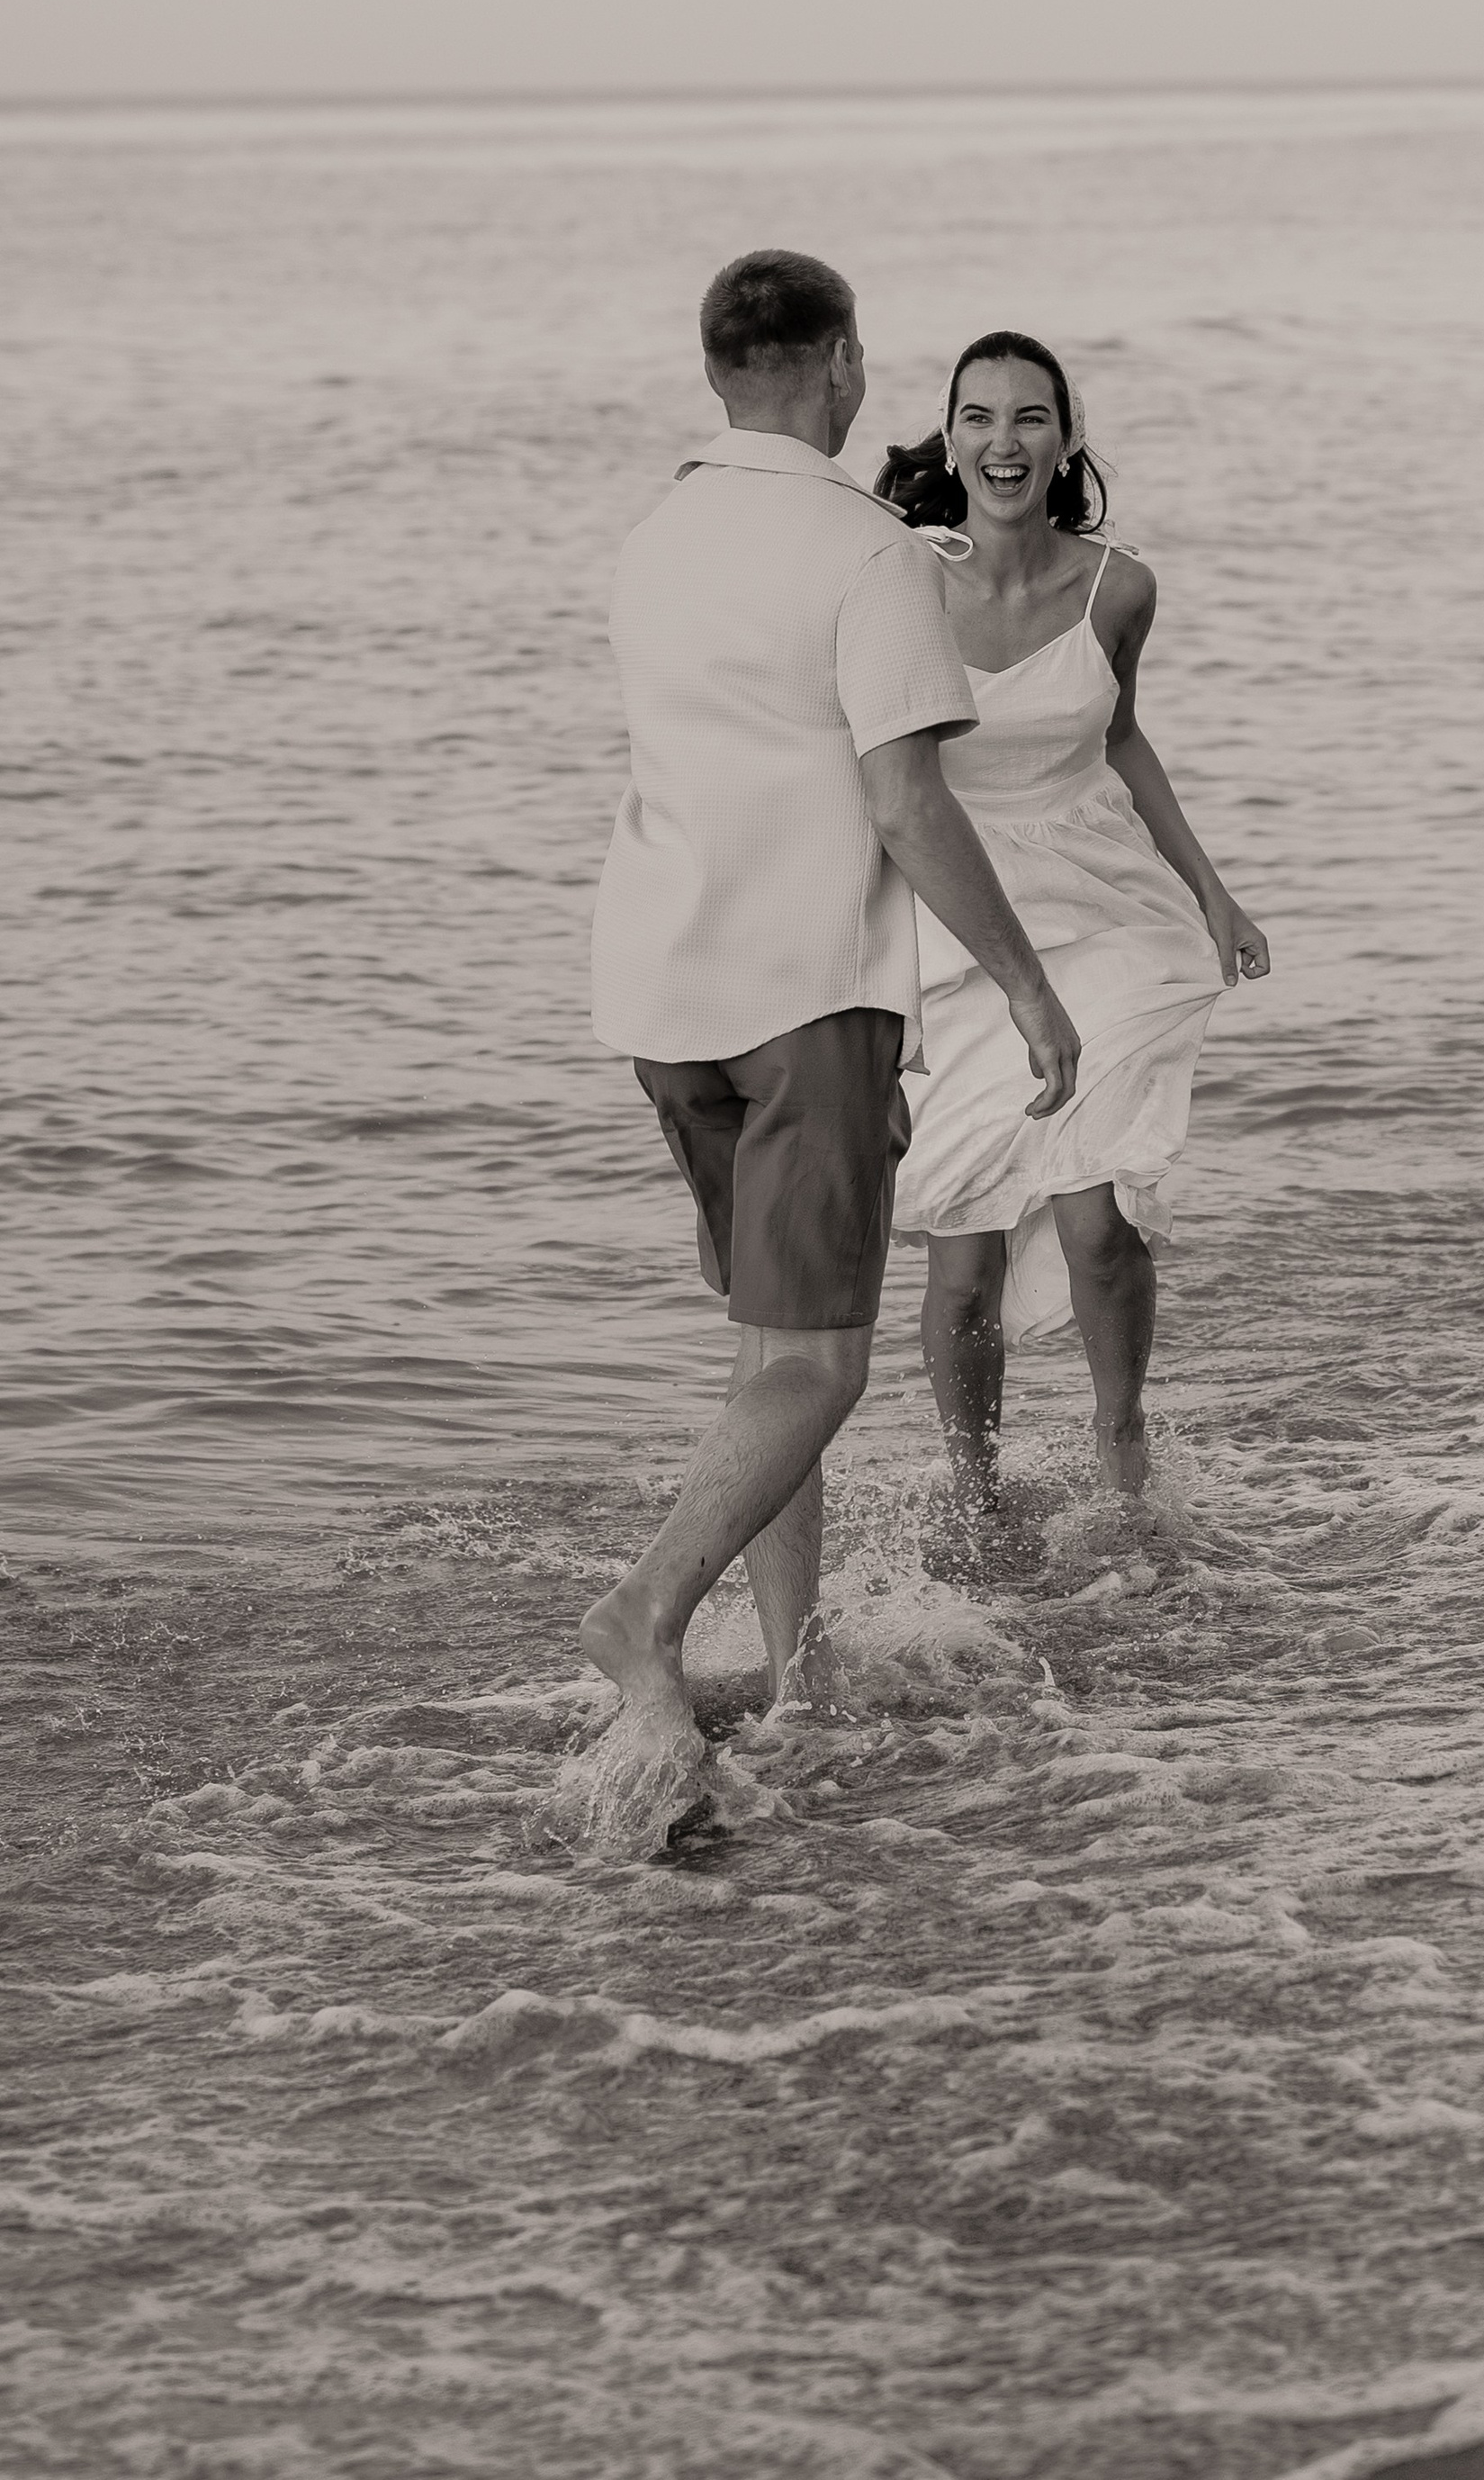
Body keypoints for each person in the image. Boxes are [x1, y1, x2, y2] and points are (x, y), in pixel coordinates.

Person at [578, 255, 1080, 1830]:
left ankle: (794, 1670)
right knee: (818, 1364)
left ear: (720, 367)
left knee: (766, 1350)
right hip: (804, 998)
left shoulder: (650, 540)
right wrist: (1028, 987)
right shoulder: (865, 552)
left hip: (665, 997)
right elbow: (906, 804)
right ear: (845, 365)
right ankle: (645, 1616)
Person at [875, 331, 1268, 1511]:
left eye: (1030, 417)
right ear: (951, 436)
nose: (1004, 441)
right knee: (962, 1251)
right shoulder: (897, 582)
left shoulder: (1120, 586)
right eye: (980, 417)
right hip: (956, 939)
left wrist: (1211, 887)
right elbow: (873, 781)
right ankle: (975, 1480)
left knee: (1097, 1218)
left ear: (1067, 437)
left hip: (1104, 919)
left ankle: (1118, 1440)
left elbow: (1122, 738)